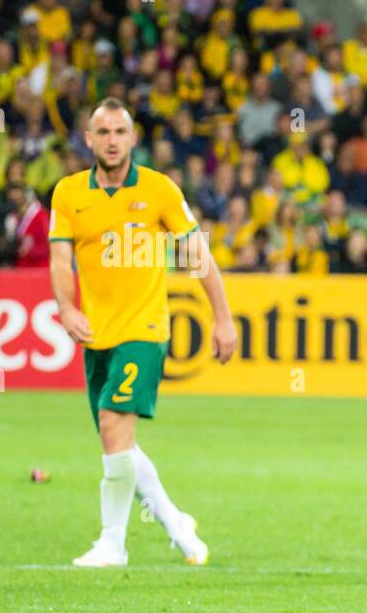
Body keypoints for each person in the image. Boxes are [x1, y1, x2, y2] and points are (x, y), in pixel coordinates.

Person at [48, 98, 238, 567]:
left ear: (133, 139)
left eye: (120, 132)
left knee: (114, 423)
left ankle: (113, 543)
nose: (112, 140)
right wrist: (66, 308)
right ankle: (175, 521)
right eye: (103, 132)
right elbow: (58, 258)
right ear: (88, 139)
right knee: (118, 443)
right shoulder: (69, 193)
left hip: (145, 327)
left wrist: (223, 317)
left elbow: (198, 256)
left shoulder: (159, 190)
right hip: (96, 333)